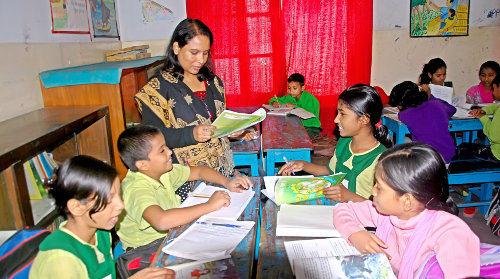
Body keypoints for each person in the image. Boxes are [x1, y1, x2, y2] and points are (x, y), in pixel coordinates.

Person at [333, 143, 480, 278]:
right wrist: (356, 234)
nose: (372, 191)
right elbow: (343, 209)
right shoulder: (384, 213)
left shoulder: (449, 232)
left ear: (407, 201)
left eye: (379, 187)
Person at [135, 18, 234, 201]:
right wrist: (191, 134)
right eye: (194, 52)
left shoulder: (213, 82)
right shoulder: (157, 89)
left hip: (220, 172)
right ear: (176, 48)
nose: (200, 60)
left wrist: (234, 130)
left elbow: (217, 120)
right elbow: (153, 139)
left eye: (205, 53)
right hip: (184, 178)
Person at [30, 155, 175, 279]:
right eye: (109, 199)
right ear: (77, 207)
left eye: (118, 195)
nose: (120, 205)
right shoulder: (61, 260)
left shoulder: (101, 232)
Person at [116, 125, 252, 250]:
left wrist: (227, 182)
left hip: (172, 235)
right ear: (143, 165)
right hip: (147, 249)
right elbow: (161, 221)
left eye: (167, 147)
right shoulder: (136, 189)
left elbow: (199, 171)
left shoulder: (163, 172)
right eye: (162, 150)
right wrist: (209, 206)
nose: (170, 152)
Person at [279, 84, 391, 202]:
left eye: (342, 114)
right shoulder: (344, 142)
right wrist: (303, 165)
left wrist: (348, 196)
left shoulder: (381, 159)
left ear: (363, 119)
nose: (336, 120)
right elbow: (331, 171)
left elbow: (382, 209)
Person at [389, 81, 456, 163]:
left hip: (425, 159)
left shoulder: (404, 115)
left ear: (401, 104)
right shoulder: (436, 104)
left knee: (403, 141)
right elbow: (452, 109)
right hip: (448, 156)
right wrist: (430, 96)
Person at [269, 73, 322, 139]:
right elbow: (274, 99)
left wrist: (295, 106)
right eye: (289, 88)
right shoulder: (290, 97)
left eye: (294, 88)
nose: (291, 91)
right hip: (297, 126)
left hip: (311, 127)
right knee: (279, 133)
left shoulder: (311, 100)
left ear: (302, 88)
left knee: (297, 138)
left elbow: (309, 115)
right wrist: (274, 102)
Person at [469, 75, 500, 161]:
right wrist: (483, 110)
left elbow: (493, 136)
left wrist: (483, 117)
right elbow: (495, 106)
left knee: (463, 149)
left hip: (496, 155)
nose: (493, 93)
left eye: (494, 89)